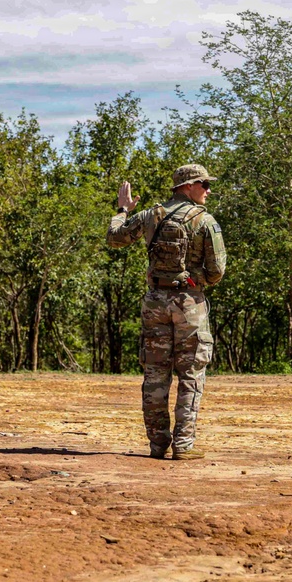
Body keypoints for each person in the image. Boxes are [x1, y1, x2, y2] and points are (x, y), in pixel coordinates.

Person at [107, 164, 227, 460]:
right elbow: (217, 271)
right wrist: (193, 281)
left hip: (155, 302)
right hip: (189, 304)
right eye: (204, 185)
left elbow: (115, 237)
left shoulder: (150, 215)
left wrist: (122, 209)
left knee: (155, 372)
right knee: (191, 373)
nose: (208, 191)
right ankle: (183, 446)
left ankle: (158, 444)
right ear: (188, 186)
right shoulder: (204, 221)